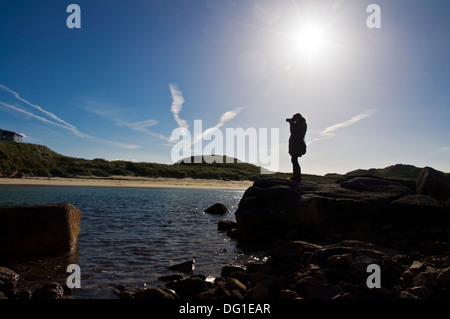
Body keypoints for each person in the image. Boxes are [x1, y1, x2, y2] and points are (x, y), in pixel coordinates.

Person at [287, 113, 307, 183]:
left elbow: (293, 131)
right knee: (294, 160)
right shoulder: (301, 123)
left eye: (295, 118)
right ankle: (296, 176)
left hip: (297, 144)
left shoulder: (301, 124)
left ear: (298, 118)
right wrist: (292, 123)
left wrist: (291, 123)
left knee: (294, 160)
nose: (294, 120)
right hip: (296, 144)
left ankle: (297, 177)